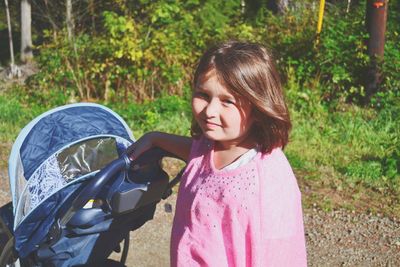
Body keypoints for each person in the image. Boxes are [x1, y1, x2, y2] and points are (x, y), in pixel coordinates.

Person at [127, 41, 307, 266]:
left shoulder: (267, 183)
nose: (210, 111)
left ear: (259, 107)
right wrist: (156, 138)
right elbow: (195, 154)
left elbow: (279, 254)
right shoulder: (210, 145)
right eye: (203, 95)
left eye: (227, 101)